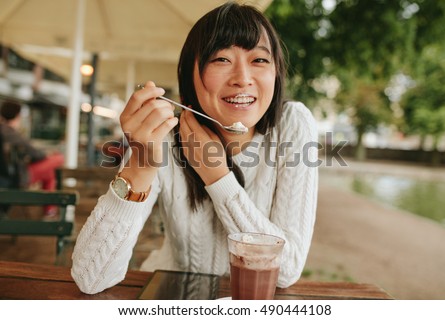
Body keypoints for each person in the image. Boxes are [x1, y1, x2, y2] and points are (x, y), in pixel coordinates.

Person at [71, 2, 318, 295]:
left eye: (260, 60)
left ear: (276, 73)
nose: (242, 77)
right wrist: (142, 164)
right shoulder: (162, 135)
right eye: (221, 59)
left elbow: (285, 269)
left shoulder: (293, 123)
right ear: (191, 74)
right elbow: (91, 277)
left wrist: (217, 176)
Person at [0, 99, 65, 218]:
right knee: (59, 158)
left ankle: (49, 211)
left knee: (49, 174)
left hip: (11, 174)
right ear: (17, 116)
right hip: (18, 177)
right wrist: (48, 155)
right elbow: (36, 154)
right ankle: (49, 211)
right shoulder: (10, 133)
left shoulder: (4, 131)